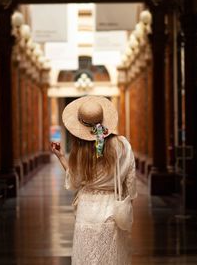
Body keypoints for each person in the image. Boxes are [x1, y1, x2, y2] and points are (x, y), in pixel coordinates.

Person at [50, 95, 137, 265]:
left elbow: (74, 182)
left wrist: (61, 157)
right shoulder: (122, 144)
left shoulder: (80, 151)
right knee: (111, 257)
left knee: (88, 258)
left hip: (87, 211)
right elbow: (130, 178)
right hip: (113, 210)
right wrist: (128, 198)